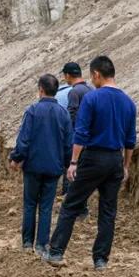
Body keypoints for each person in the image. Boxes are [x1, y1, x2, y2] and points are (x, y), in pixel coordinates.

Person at [45, 56, 137, 270]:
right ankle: (101, 259)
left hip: (93, 157)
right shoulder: (128, 102)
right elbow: (130, 140)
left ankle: (56, 252)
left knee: (71, 204)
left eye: (92, 76)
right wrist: (125, 166)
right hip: (115, 159)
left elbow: (81, 132)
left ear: (96, 74)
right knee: (108, 211)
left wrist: (73, 161)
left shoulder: (92, 98)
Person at [9, 75, 73, 256]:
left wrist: (16, 158)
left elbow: (24, 139)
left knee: (30, 204)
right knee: (46, 207)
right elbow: (68, 144)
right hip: (54, 168)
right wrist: (67, 164)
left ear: (41, 90)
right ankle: (41, 245)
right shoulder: (64, 114)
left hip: (33, 166)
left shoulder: (33, 110)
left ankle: (27, 242)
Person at [56, 62, 93, 214]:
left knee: (72, 173)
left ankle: (72, 207)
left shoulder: (74, 92)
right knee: (83, 176)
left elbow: (72, 116)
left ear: (67, 75)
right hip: (91, 140)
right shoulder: (90, 89)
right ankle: (82, 207)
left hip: (78, 139)